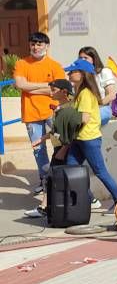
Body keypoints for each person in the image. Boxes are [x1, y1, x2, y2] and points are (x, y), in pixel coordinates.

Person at [64, 58, 117, 211]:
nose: (69, 74)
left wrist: (67, 123)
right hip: (79, 138)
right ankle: (88, 198)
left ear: (82, 74)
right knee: (70, 170)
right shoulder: (80, 92)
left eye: (72, 72)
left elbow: (84, 118)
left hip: (89, 139)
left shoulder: (85, 93)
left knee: (100, 172)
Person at [12, 32, 66, 194]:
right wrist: (45, 87)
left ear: (47, 46)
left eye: (39, 44)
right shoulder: (22, 63)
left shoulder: (55, 65)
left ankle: (60, 178)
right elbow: (20, 84)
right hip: (31, 114)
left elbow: (57, 88)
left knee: (60, 145)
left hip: (53, 112)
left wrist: (30, 87)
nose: (35, 47)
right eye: (33, 44)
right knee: (38, 150)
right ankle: (45, 180)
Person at [23, 79, 79, 219]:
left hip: (62, 149)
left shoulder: (68, 109)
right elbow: (55, 131)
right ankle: (89, 200)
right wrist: (41, 139)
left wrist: (64, 149)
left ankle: (43, 208)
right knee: (58, 178)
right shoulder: (60, 108)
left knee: (51, 178)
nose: (51, 93)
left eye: (54, 90)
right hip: (58, 148)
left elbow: (72, 133)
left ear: (64, 92)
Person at [77, 46, 117, 126]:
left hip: (102, 108)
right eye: (80, 58)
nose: (83, 60)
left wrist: (96, 106)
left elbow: (111, 95)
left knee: (87, 122)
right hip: (84, 110)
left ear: (93, 59)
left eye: (86, 58)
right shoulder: (79, 74)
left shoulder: (104, 72)